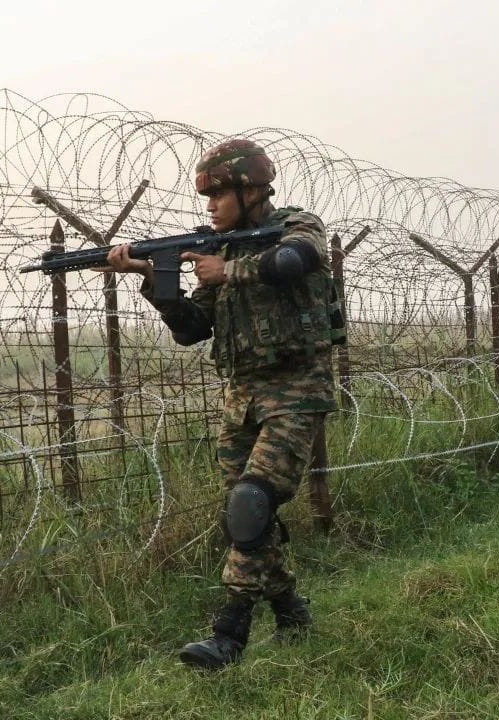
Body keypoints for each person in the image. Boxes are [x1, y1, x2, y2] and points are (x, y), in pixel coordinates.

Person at [106, 138, 342, 670]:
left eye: (218, 195)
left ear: (251, 190)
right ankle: (291, 611)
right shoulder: (224, 251)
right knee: (246, 519)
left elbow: (300, 258)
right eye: (206, 197)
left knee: (252, 504)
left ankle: (229, 634)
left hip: (297, 392)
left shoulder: (295, 225)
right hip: (241, 398)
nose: (209, 206)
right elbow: (193, 330)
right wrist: (152, 279)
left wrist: (229, 272)